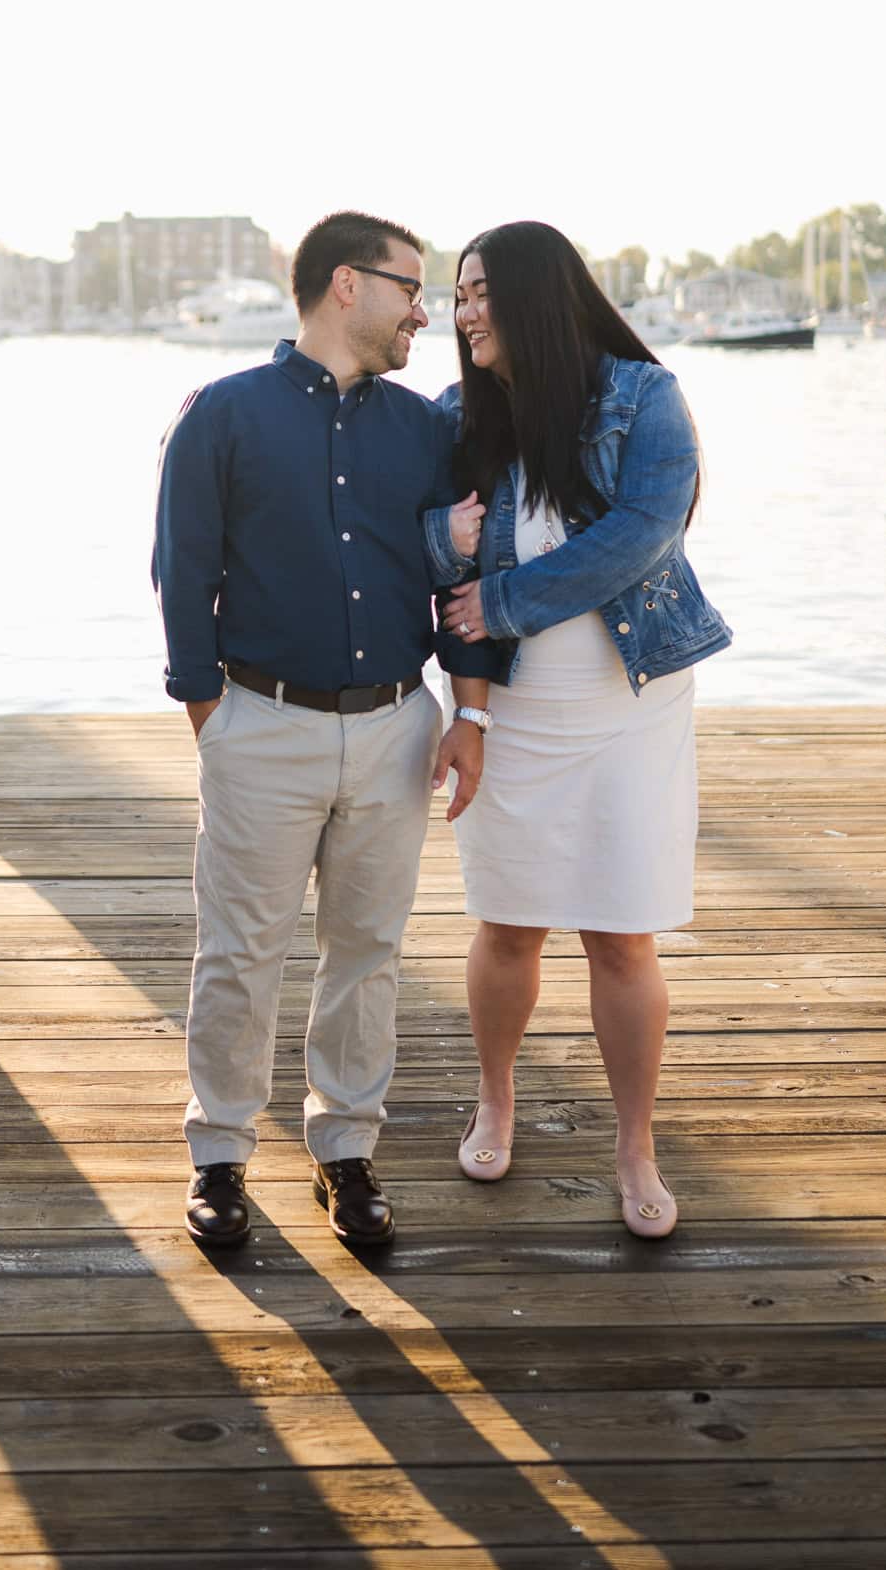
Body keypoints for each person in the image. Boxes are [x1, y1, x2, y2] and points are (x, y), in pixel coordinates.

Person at [153, 210, 488, 1252]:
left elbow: (464, 580)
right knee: (239, 954)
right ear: (347, 286)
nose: (424, 313)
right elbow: (182, 568)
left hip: (395, 725)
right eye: (411, 289)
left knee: (368, 953)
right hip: (262, 724)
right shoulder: (222, 414)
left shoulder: (425, 429)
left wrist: (468, 706)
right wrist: (214, 710)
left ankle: (346, 1147)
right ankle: (219, 1156)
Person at [425, 221, 731, 1237]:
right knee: (508, 922)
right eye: (455, 294)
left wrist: (504, 600)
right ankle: (496, 1097)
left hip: (628, 707)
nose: (462, 311)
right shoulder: (457, 418)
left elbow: (644, 536)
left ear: (534, 296)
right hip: (508, 708)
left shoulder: (647, 400)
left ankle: (636, 1145)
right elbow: (414, 538)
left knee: (621, 932)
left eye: (477, 293)